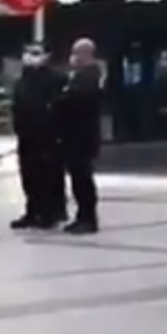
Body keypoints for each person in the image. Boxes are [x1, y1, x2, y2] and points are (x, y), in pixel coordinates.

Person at [11, 44, 66, 229]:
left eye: (35, 54)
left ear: (46, 56)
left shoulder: (55, 78)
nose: (29, 57)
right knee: (29, 175)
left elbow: (60, 106)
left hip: (48, 136)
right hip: (26, 136)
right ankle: (32, 211)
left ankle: (50, 212)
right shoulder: (22, 80)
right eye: (26, 53)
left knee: (48, 176)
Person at [54, 38, 103, 234]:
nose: (73, 57)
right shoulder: (81, 75)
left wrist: (60, 101)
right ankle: (82, 216)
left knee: (83, 179)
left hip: (82, 136)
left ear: (86, 54)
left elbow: (77, 100)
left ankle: (88, 218)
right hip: (74, 135)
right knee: (77, 178)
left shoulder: (90, 76)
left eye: (76, 53)